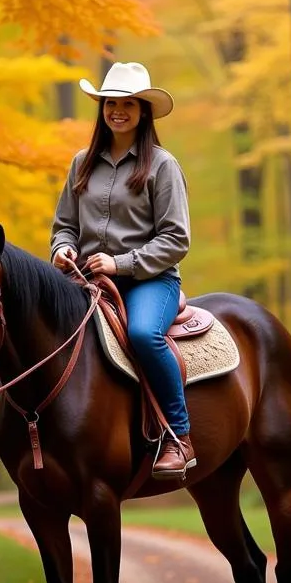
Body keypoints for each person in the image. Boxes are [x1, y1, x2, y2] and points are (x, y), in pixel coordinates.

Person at [51, 61, 195, 479]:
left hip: (151, 280)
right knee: (26, 324)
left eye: (128, 104)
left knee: (143, 335)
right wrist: (63, 250)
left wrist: (121, 263)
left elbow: (176, 239)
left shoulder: (162, 166)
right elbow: (64, 225)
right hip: (84, 278)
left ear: (143, 111)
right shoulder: (81, 164)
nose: (118, 111)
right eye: (111, 103)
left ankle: (178, 437)